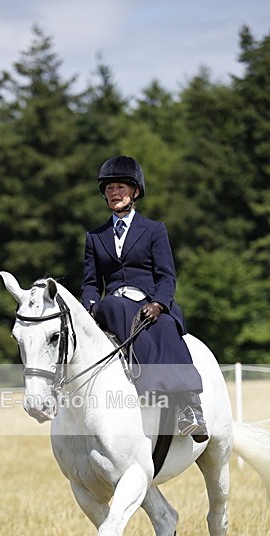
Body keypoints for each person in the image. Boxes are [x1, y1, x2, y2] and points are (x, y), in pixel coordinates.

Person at [81, 155, 208, 441]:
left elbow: (166, 276)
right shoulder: (94, 236)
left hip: (150, 304)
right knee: (111, 304)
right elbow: (91, 283)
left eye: (121, 188)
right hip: (113, 305)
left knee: (166, 327)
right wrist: (89, 306)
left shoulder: (154, 230)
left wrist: (159, 304)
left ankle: (191, 408)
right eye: (109, 188)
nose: (114, 193)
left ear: (135, 192)